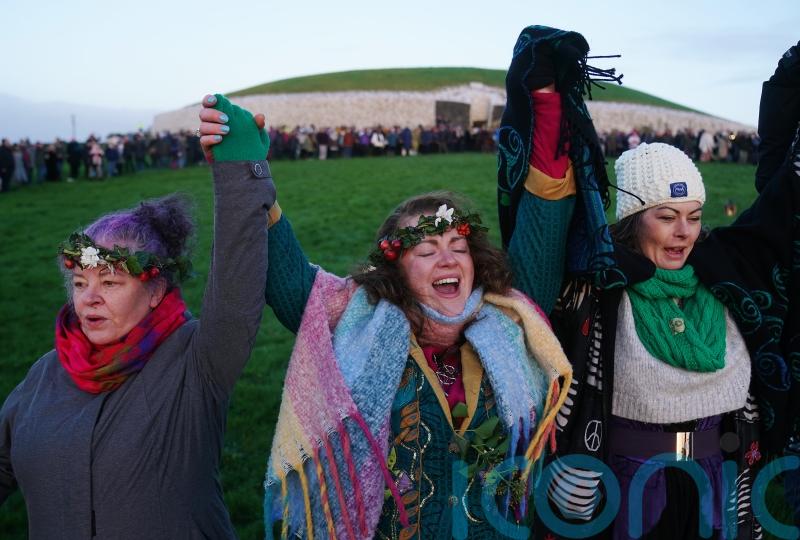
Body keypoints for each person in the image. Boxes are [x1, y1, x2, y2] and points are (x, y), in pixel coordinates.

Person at [197, 98, 573, 539]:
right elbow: (287, 279)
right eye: (427, 251)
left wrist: (547, 100)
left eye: (457, 245)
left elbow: (543, 229)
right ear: (396, 269)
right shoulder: (358, 321)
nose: (447, 259)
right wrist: (247, 170)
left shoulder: (510, 319)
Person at [498, 27, 800, 539]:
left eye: (694, 215)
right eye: (666, 216)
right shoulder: (599, 285)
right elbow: (541, 243)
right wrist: (549, 109)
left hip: (715, 487)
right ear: (634, 218)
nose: (684, 232)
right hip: (626, 491)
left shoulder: (723, 276)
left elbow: (782, 208)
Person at [0, 94, 275, 539]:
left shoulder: (197, 362)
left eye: (110, 283)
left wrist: (240, 170)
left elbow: (237, 283)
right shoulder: (44, 375)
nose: (88, 299)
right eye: (79, 283)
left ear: (156, 291)